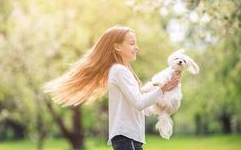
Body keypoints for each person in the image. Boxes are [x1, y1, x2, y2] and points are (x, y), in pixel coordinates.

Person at [43, 25, 181, 150]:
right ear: (117, 47)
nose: (136, 47)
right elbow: (139, 103)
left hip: (130, 139)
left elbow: (143, 109)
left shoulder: (124, 71)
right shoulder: (119, 71)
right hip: (127, 139)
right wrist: (163, 89)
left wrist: (162, 106)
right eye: (132, 43)